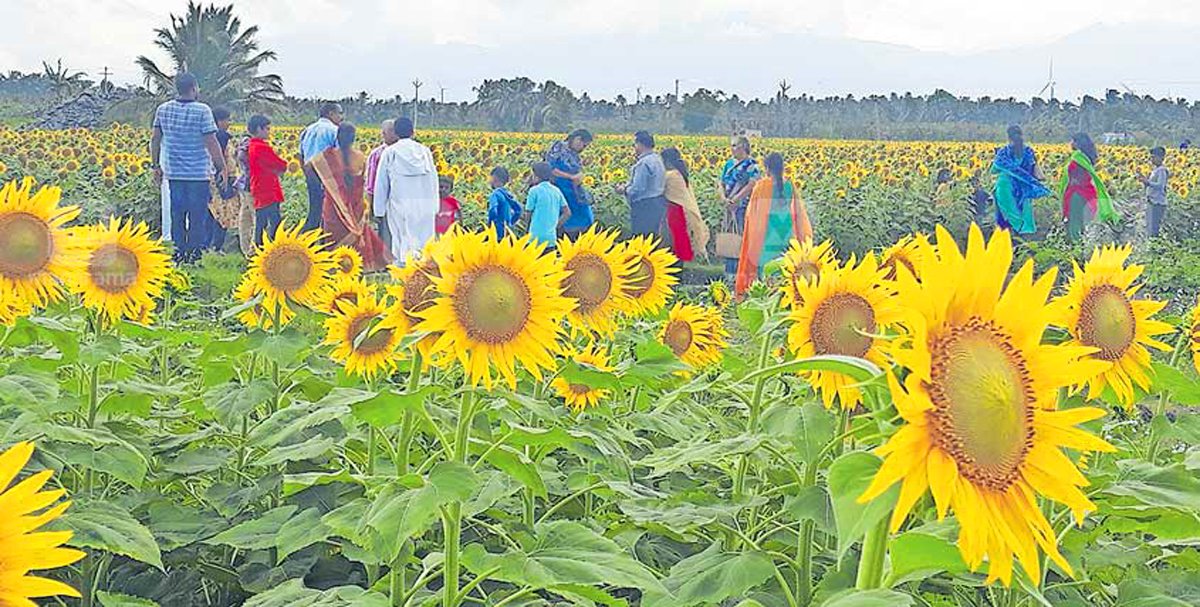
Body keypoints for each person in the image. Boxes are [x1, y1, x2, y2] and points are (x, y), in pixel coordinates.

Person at [150, 72, 227, 264]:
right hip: (198, 173)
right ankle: (193, 255)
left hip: (174, 172)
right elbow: (211, 141)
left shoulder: (163, 110)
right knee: (197, 215)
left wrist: (155, 165)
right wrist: (221, 167)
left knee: (177, 213)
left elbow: (155, 139)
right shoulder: (202, 111)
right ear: (194, 88)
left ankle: (178, 252)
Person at [311, 123, 392, 271]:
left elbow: (311, 167)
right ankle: (355, 266)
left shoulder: (325, 157)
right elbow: (363, 181)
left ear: (337, 137)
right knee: (355, 237)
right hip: (356, 207)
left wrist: (326, 182)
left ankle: (333, 266)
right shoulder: (361, 157)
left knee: (333, 236)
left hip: (333, 206)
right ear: (353, 139)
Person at [735, 152, 812, 297]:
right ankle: (780, 297)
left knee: (766, 267)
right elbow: (798, 212)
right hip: (785, 232)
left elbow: (752, 213)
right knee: (782, 266)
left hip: (767, 233)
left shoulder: (762, 185)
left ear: (768, 168)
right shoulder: (790, 185)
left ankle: (766, 298)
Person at [373, 117, 439, 264]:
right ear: (413, 132)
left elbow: (381, 183)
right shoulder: (425, 152)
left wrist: (379, 210)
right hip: (425, 204)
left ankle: (402, 273)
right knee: (424, 242)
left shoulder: (391, 152)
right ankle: (422, 274)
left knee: (401, 240)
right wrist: (435, 206)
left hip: (400, 204)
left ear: (395, 133)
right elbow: (434, 179)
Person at [1058, 132, 1118, 242]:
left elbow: (1078, 178)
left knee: (1074, 222)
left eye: (1072, 141)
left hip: (1076, 194)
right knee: (1082, 222)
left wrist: (1070, 182)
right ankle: (1081, 245)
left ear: (1077, 143)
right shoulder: (1086, 157)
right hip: (1086, 193)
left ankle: (1076, 248)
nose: (1070, 143)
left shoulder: (1077, 157)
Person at [991, 125, 1050, 236]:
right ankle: (1021, 239)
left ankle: (1004, 242)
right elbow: (1034, 169)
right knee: (1022, 213)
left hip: (1005, 186)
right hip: (1023, 188)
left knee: (1004, 216)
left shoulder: (1003, 152)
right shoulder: (1028, 151)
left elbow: (993, 170)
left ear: (1009, 137)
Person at [616, 131, 669, 241]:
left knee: (641, 239)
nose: (634, 147)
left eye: (634, 144)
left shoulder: (644, 163)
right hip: (658, 202)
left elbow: (638, 188)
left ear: (640, 144)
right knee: (653, 238)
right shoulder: (657, 159)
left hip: (645, 206)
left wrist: (624, 189)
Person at [299, 102, 344, 232]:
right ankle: (323, 244)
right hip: (327, 177)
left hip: (310, 174)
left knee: (315, 210)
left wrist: (306, 172)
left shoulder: (308, 130)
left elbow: (300, 155)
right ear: (331, 114)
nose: (341, 117)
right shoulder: (334, 130)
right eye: (339, 113)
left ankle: (308, 243)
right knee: (328, 213)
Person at [719, 136, 761, 274]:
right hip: (728, 207)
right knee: (729, 237)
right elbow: (721, 182)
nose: (732, 148)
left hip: (742, 207)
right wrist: (724, 198)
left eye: (734, 145)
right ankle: (729, 271)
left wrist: (736, 199)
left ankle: (741, 272)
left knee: (741, 238)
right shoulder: (728, 164)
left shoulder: (752, 166)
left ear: (743, 147)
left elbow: (751, 185)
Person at [661, 147, 709, 262]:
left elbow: (658, 190)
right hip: (684, 211)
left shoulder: (670, 175)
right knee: (682, 246)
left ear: (667, 161)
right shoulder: (681, 174)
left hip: (675, 212)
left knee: (675, 245)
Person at [246, 115, 288, 246]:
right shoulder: (262, 147)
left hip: (259, 187)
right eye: (267, 129)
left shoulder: (252, 146)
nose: (269, 132)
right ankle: (272, 248)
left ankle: (261, 248)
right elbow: (281, 164)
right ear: (259, 129)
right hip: (267, 189)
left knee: (262, 220)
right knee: (273, 221)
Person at [546, 129, 595, 238]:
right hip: (560, 188)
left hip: (573, 190)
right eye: (584, 145)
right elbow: (551, 168)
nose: (583, 149)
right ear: (577, 139)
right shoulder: (558, 147)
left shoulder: (575, 154)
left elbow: (575, 168)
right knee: (564, 215)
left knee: (585, 214)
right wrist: (571, 177)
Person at [205, 105, 239, 251]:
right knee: (222, 213)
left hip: (215, 178)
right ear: (218, 121)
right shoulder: (220, 136)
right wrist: (225, 176)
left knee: (214, 212)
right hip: (221, 179)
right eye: (227, 120)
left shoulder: (213, 135)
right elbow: (219, 157)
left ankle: (209, 245)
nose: (229, 123)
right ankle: (215, 246)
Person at [525, 162, 571, 250]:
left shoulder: (534, 191)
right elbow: (567, 213)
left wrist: (528, 229)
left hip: (534, 238)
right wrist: (555, 226)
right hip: (551, 238)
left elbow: (528, 213)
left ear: (536, 176)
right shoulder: (556, 191)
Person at [366, 119, 397, 245]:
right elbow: (371, 184)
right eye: (388, 131)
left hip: (401, 201)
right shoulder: (377, 154)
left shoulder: (405, 151)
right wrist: (371, 206)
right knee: (386, 236)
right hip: (385, 202)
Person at [1141, 146, 1169, 237]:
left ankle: (1154, 247)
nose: (1151, 159)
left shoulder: (1162, 170)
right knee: (1150, 226)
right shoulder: (1155, 170)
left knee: (1154, 228)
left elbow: (1160, 185)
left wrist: (1147, 182)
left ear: (1161, 158)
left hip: (1158, 202)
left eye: (1153, 157)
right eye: (1151, 157)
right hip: (1152, 201)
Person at [487, 167, 522, 239]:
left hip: (496, 232)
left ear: (494, 178)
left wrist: (490, 224)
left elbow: (493, 210)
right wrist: (510, 223)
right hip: (507, 231)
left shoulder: (495, 194)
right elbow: (518, 210)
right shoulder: (508, 194)